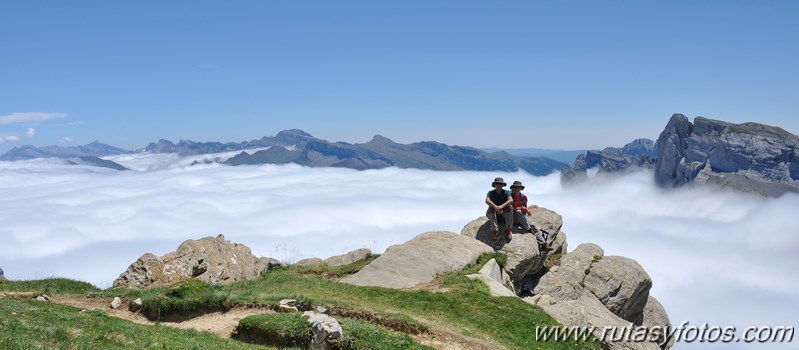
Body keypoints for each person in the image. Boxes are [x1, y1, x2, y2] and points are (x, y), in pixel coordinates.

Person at [510, 180, 550, 250]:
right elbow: (512, 208)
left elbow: (524, 208)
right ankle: (529, 229)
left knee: (534, 226)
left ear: (520, 188)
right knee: (518, 212)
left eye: (518, 187)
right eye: (515, 187)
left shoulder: (523, 197)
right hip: (513, 218)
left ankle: (543, 243)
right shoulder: (510, 196)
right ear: (513, 188)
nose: (517, 189)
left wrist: (523, 209)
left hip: (522, 218)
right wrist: (522, 208)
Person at [485, 177, 513, 241]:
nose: (499, 185)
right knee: (490, 209)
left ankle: (508, 230)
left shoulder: (506, 192)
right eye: (497, 183)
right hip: (494, 214)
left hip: (503, 214)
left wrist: (501, 207)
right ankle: (495, 231)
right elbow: (487, 201)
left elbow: (511, 200)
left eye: (500, 184)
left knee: (510, 207)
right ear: (494, 185)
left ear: (503, 185)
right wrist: (495, 207)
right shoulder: (491, 193)